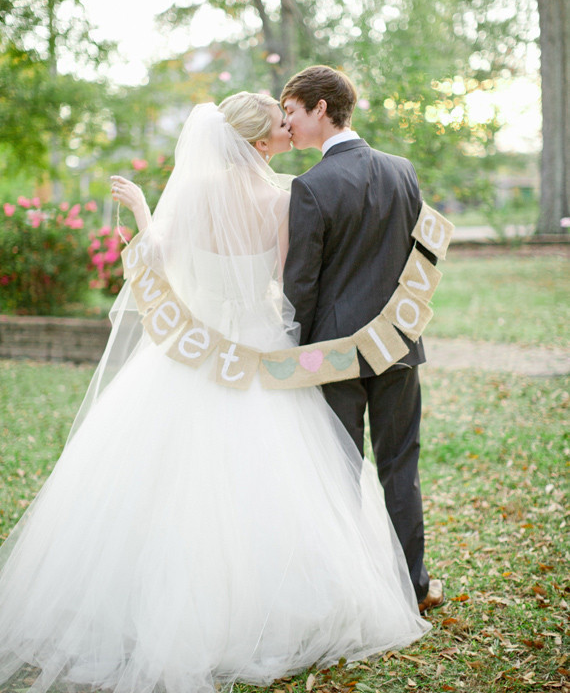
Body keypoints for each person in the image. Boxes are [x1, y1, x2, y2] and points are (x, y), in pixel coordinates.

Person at [0, 93, 429, 693]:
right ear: (259, 144)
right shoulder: (282, 197)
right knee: (283, 480)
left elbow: (153, 261)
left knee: (160, 481)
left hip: (194, 355)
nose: (286, 128)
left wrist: (145, 210)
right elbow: (288, 283)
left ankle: (149, 606)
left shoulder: (194, 194)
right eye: (279, 124)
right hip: (257, 351)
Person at [280, 65, 444, 613]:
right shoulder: (404, 171)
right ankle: (414, 588)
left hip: (334, 356)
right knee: (401, 466)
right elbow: (415, 256)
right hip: (397, 345)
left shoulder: (311, 186)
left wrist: (294, 352)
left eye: (293, 113)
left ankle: (345, 595)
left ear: (320, 109)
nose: (290, 124)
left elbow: (300, 284)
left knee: (337, 473)